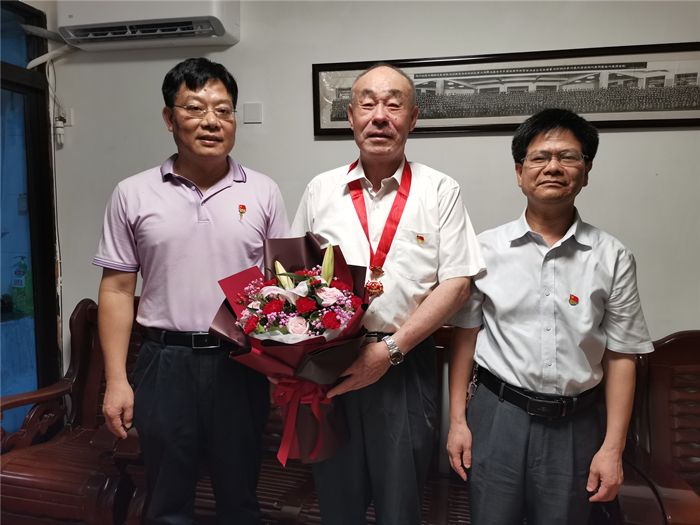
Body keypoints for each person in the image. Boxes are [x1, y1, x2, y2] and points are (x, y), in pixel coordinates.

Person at [95, 57, 289, 525]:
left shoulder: (263, 192)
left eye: (223, 110)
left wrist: (284, 369)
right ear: (169, 117)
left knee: (240, 499)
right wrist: (117, 379)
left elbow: (282, 288)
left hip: (239, 364)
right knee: (166, 500)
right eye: (195, 108)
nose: (211, 121)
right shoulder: (132, 193)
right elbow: (118, 290)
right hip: (165, 363)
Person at [291, 63, 485, 525]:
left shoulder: (440, 190)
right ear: (351, 117)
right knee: (336, 503)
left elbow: (457, 283)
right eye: (368, 104)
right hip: (331, 366)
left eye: (394, 105)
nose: (380, 116)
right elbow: (294, 277)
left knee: (401, 506)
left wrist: (391, 350)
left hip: (404, 364)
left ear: (412, 118)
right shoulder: (321, 190)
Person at [446, 108, 653, 525]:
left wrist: (613, 448)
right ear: (519, 172)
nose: (553, 167)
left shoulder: (613, 257)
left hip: (575, 425)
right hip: (497, 416)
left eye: (568, 157)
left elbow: (622, 355)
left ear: (586, 171)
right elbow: (465, 337)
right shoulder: (483, 251)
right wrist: (457, 422)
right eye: (540, 157)